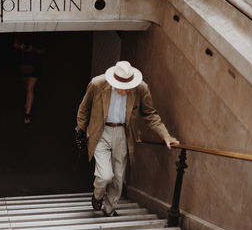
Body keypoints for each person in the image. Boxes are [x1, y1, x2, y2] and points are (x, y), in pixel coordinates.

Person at [75, 60, 179, 216]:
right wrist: (80, 131)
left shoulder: (141, 88)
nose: (125, 91)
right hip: (100, 132)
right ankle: (97, 196)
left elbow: (150, 114)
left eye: (128, 87)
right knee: (105, 176)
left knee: (118, 177)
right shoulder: (97, 84)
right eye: (121, 87)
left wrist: (166, 135)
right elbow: (84, 109)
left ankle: (109, 210)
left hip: (123, 133)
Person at [13, 33, 45, 124]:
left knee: (29, 88)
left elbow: (43, 51)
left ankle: (27, 114)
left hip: (35, 65)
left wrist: (33, 49)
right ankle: (28, 102)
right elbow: (14, 44)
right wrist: (20, 47)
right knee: (26, 86)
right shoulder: (20, 32)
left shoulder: (38, 35)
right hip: (23, 64)